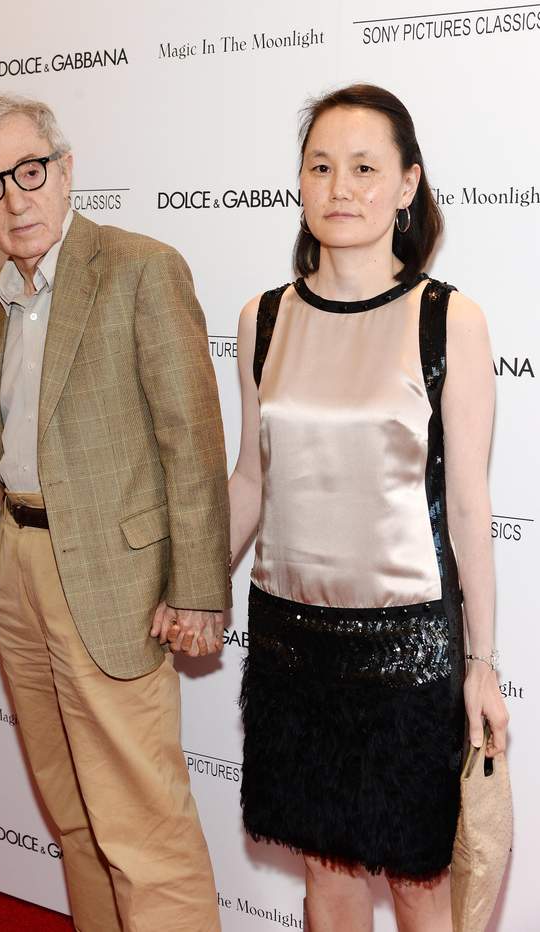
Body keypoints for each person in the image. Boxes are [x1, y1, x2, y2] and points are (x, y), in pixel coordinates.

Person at [0, 93, 230, 932]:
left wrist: (198, 589)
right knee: (72, 815)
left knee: (144, 829)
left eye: (29, 171)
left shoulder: (140, 268)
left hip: (114, 579)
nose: (14, 199)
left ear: (65, 171)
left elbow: (193, 441)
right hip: (19, 567)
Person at [229, 84, 509, 932]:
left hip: (409, 648)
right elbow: (250, 482)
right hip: (291, 641)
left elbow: (468, 505)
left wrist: (482, 662)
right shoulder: (264, 318)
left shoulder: (447, 319)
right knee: (328, 871)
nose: (340, 188)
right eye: (320, 167)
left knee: (421, 883)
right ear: (299, 183)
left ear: (406, 184)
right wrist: (194, 589)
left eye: (363, 168)